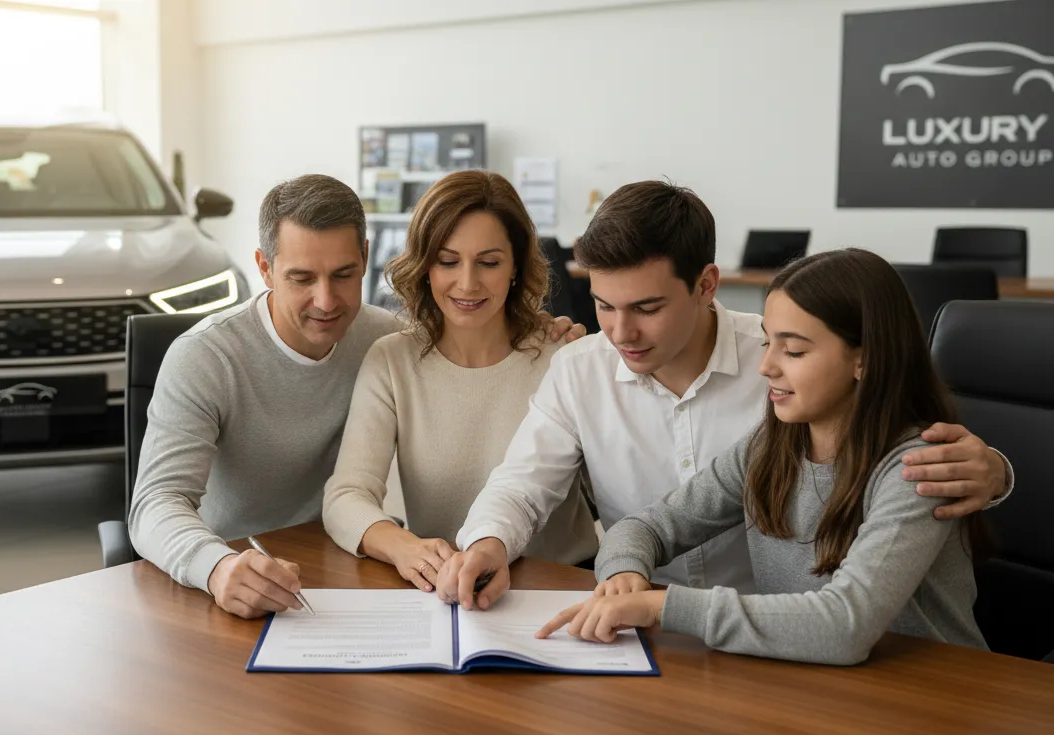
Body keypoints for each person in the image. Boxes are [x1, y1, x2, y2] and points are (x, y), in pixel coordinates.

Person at [436, 180, 1011, 610]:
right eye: (604, 306)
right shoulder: (578, 369)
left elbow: (890, 437)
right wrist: (488, 541)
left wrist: (996, 473)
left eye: (648, 308)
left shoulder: (792, 362)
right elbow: (523, 483)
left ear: (706, 285)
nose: (619, 333)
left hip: (781, 626)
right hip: (652, 617)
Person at [129, 174, 584, 619]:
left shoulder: (382, 336)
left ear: (365, 258)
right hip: (252, 569)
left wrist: (572, 347)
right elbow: (155, 502)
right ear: (264, 267)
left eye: (343, 274)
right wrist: (216, 566)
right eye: (301, 277)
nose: (326, 301)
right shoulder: (207, 357)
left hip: (392, 571)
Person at [535, 249, 989, 664]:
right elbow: (648, 525)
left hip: (935, 699)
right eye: (768, 342)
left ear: (863, 360)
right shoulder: (772, 445)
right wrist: (624, 573)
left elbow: (844, 625)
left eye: (793, 350)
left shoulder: (918, 469)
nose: (766, 366)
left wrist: (659, 606)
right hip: (814, 687)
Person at [322, 171, 597, 591]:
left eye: (488, 262)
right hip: (447, 588)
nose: (467, 283)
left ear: (516, 268)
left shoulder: (563, 355)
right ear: (424, 266)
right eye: (448, 261)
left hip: (558, 588)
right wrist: (403, 548)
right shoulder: (392, 360)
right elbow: (346, 497)